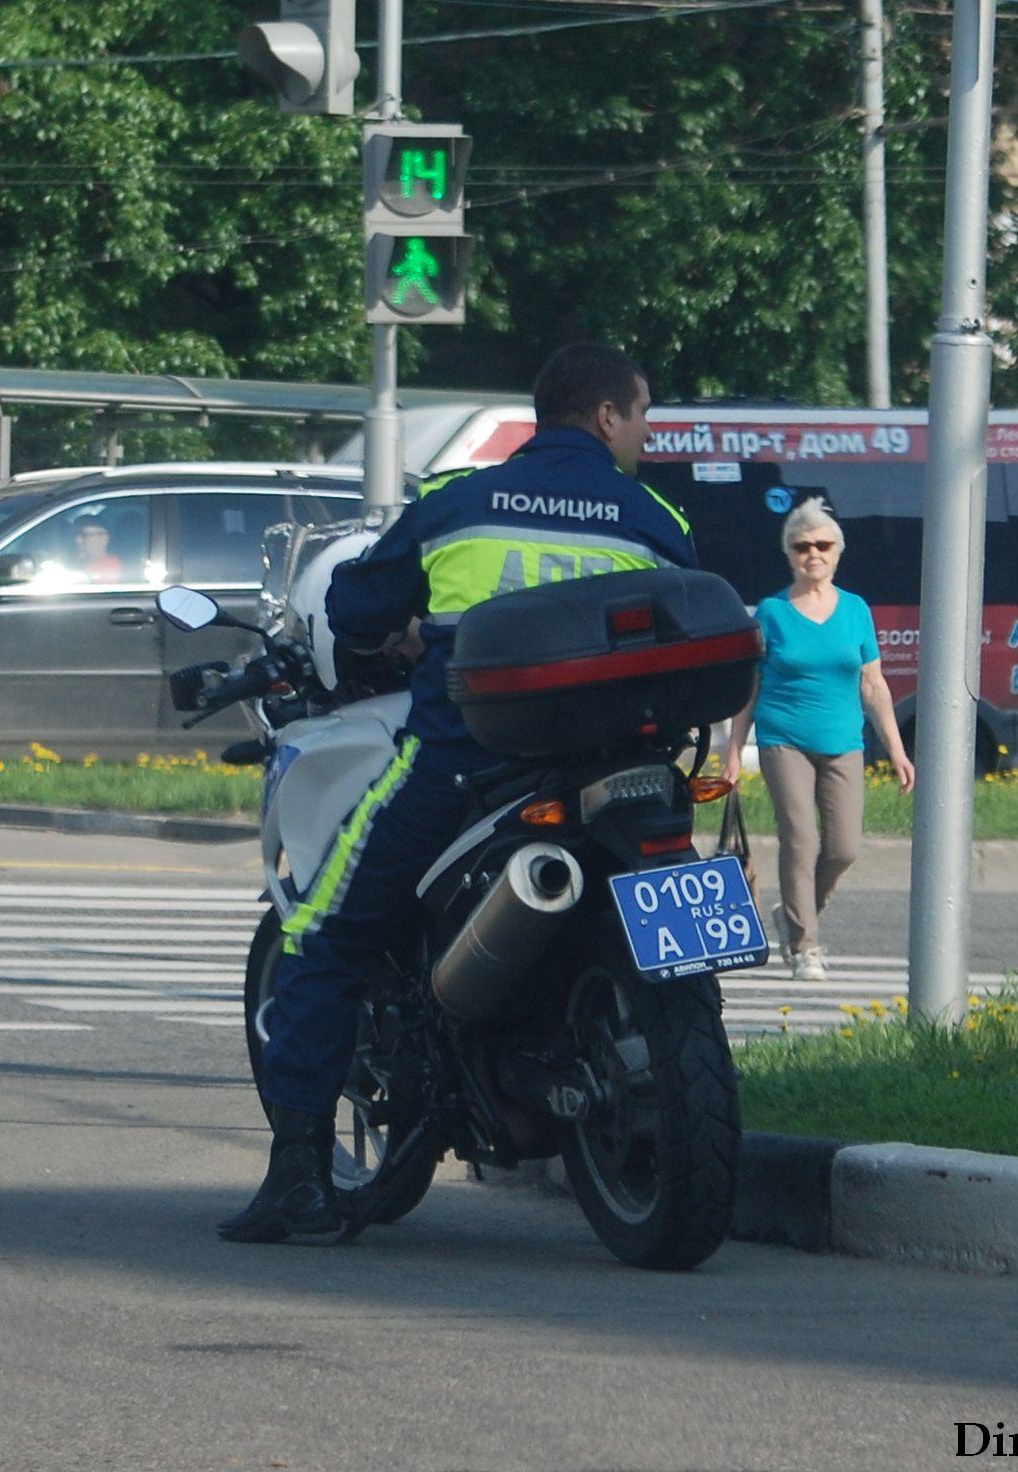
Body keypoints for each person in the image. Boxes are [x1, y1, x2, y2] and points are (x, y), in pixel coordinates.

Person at [219, 342, 697, 1244]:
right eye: (640, 416)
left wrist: (407, 629)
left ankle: (296, 1182)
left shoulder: (458, 504)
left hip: (466, 771)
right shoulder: (653, 517)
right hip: (620, 775)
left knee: (324, 929)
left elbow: (357, 612)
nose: (643, 433)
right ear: (605, 418)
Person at [726, 498, 913, 983]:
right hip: (782, 736)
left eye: (822, 544)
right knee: (801, 839)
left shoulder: (855, 610)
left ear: (837, 551)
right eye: (802, 545)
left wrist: (895, 748)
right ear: (789, 553)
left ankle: (793, 915)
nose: (813, 552)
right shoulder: (771, 612)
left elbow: (873, 684)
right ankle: (805, 946)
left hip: (843, 740)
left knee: (845, 847)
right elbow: (750, 688)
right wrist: (731, 752)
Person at [72, 517, 122, 582]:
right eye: (74, 536)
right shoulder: (71, 567)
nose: (78, 541)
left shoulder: (110, 567)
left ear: (105, 538)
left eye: (87, 535)